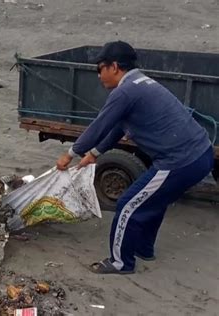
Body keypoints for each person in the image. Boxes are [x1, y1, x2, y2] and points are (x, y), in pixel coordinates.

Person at [56, 41, 214, 274]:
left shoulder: (125, 91)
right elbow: (118, 127)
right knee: (155, 199)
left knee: (127, 204)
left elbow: (99, 126)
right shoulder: (140, 83)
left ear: (115, 67)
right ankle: (144, 248)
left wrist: (69, 155)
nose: (99, 76)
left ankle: (120, 263)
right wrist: (94, 154)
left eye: (100, 69)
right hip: (201, 155)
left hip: (179, 160)